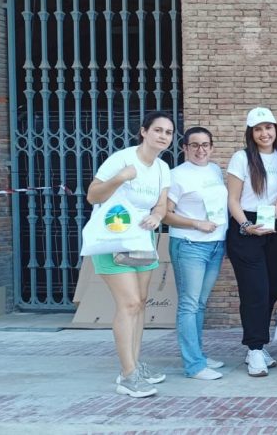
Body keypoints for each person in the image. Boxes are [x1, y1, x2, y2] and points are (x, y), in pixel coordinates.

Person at [85, 111, 174, 398]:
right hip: (114, 237)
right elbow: (93, 196)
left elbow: (160, 206)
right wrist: (120, 178)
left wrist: (157, 217)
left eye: (168, 132)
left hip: (141, 238)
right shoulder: (121, 160)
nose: (163, 136)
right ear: (144, 132)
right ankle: (127, 376)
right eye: (158, 130)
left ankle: (134, 365)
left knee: (141, 302)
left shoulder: (162, 168)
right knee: (130, 303)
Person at [226, 107, 277, 377]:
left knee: (272, 288)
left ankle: (259, 342)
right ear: (251, 133)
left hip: (276, 222)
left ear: (276, 129)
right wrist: (246, 226)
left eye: (269, 127)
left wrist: (276, 209)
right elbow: (233, 199)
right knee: (255, 291)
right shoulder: (241, 158)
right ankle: (254, 349)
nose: (265, 133)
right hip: (246, 226)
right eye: (258, 129)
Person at [163, 126, 227, 381]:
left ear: (211, 147)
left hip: (215, 244)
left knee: (200, 304)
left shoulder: (214, 170)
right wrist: (196, 224)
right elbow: (165, 214)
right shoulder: (176, 176)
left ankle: (198, 354)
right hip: (189, 245)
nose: (200, 150)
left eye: (205, 145)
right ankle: (194, 365)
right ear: (185, 148)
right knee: (189, 305)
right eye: (194, 145)